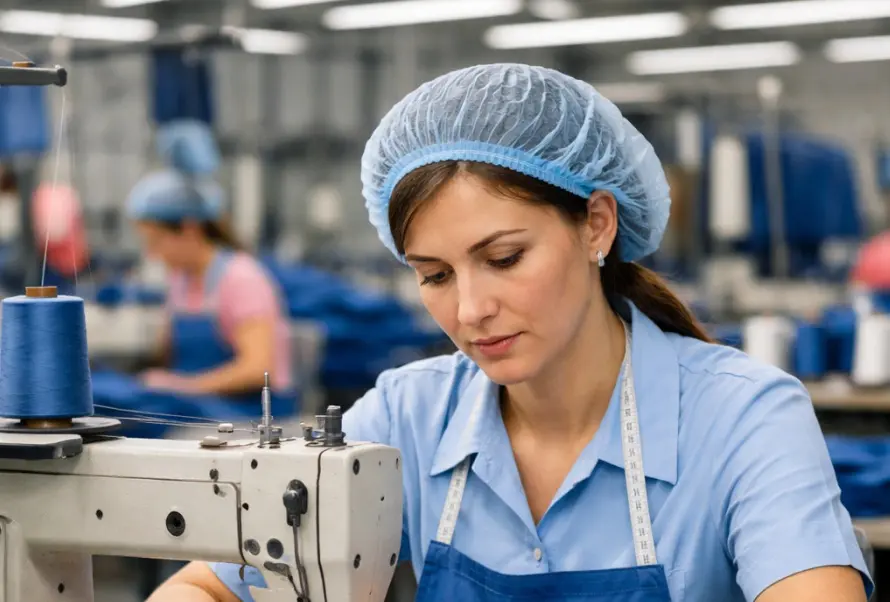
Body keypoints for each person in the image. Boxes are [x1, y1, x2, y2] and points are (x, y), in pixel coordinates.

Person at [146, 64, 872, 602]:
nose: (469, 311)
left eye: (504, 259)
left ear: (596, 225)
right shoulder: (407, 416)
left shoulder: (743, 419)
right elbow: (209, 586)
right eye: (435, 275)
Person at [126, 120, 294, 411]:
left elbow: (258, 369)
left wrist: (181, 386)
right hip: (201, 406)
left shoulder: (241, 278)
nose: (152, 254)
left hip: (246, 412)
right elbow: (168, 355)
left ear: (189, 229)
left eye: (156, 241)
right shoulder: (182, 280)